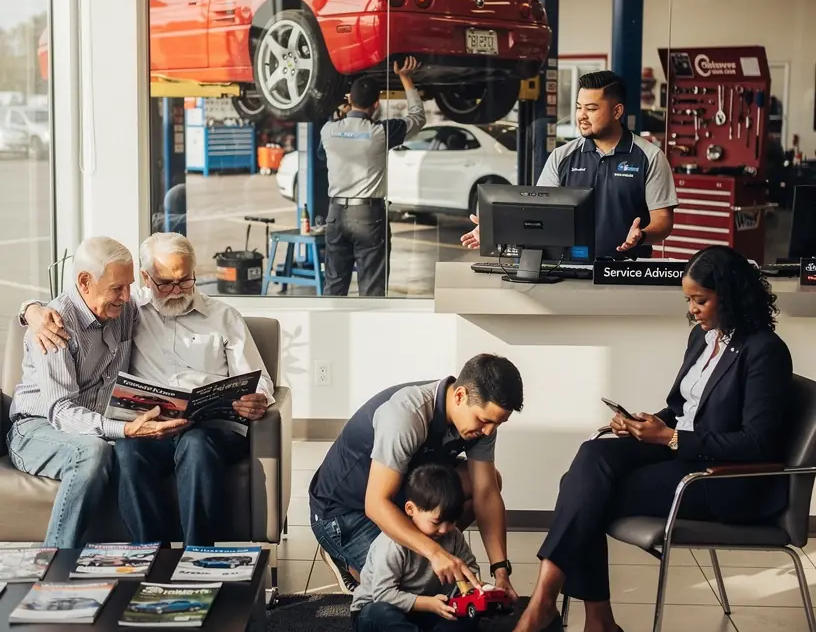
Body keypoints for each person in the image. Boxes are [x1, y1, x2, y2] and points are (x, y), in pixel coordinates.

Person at [506, 246, 793, 632]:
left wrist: (672, 439)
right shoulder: (702, 338)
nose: (693, 310)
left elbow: (757, 442)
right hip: (682, 454)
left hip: (723, 479)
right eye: (688, 300)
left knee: (586, 494)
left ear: (730, 296)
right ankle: (568, 612)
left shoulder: (765, 351)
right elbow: (681, 409)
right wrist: (643, 424)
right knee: (592, 457)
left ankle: (561, 610)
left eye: (701, 300)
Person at [23, 233, 275, 545]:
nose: (175, 291)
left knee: (196, 445)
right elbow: (80, 300)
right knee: (128, 450)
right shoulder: (131, 310)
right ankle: (150, 553)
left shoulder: (221, 317)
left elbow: (259, 378)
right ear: (147, 277)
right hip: (148, 427)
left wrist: (258, 397)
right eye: (165, 283)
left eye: (185, 281)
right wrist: (31, 310)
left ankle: (198, 555)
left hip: (209, 429)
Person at [7, 237, 185, 547]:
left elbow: (172, 295)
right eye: (117, 288)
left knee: (131, 455)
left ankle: (152, 560)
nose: (127, 296)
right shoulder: (55, 324)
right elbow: (60, 411)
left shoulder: (124, 309)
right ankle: (54, 559)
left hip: (92, 427)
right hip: (37, 428)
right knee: (92, 451)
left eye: (129, 286)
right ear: (85, 282)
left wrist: (28, 308)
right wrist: (123, 429)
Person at [310, 353, 523, 601]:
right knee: (409, 593)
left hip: (402, 493)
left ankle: (419, 550)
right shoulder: (405, 415)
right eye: (484, 420)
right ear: (460, 396)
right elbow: (376, 504)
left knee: (488, 480)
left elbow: (486, 491)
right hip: (344, 514)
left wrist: (501, 571)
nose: (489, 431)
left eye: (497, 424)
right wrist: (434, 553)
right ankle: (347, 560)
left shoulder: (481, 426)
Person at [462, 70, 677, 261]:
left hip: (625, 272)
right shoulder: (562, 156)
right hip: (568, 268)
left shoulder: (650, 157)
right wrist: (496, 228)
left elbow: (663, 221)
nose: (581, 115)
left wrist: (642, 237)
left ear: (617, 112)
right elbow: (538, 213)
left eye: (591, 108)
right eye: (578, 107)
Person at [352, 463, 483, 632]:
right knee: (379, 614)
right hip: (381, 608)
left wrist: (474, 591)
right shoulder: (392, 545)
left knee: (470, 612)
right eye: (437, 522)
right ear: (411, 509)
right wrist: (428, 604)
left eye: (452, 522)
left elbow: (469, 568)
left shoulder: (453, 536)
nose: (445, 529)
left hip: (428, 609)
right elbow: (382, 595)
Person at [320, 55, 425, 297]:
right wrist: (405, 79)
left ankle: (329, 333)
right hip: (368, 217)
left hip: (336, 215)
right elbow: (418, 118)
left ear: (350, 100)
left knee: (333, 287)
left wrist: (342, 112)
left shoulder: (329, 130)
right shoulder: (381, 132)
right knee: (372, 289)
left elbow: (320, 154)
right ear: (376, 104)